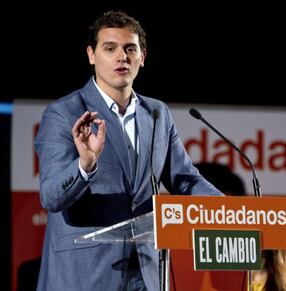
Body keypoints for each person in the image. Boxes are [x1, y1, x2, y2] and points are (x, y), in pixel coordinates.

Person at [34, 10, 222, 291]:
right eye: (110, 48)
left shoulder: (157, 113)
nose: (122, 56)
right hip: (85, 275)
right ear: (91, 55)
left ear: (142, 57)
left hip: (146, 272)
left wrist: (229, 209)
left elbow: (184, 178)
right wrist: (84, 166)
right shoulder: (64, 113)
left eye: (130, 48)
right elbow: (51, 196)